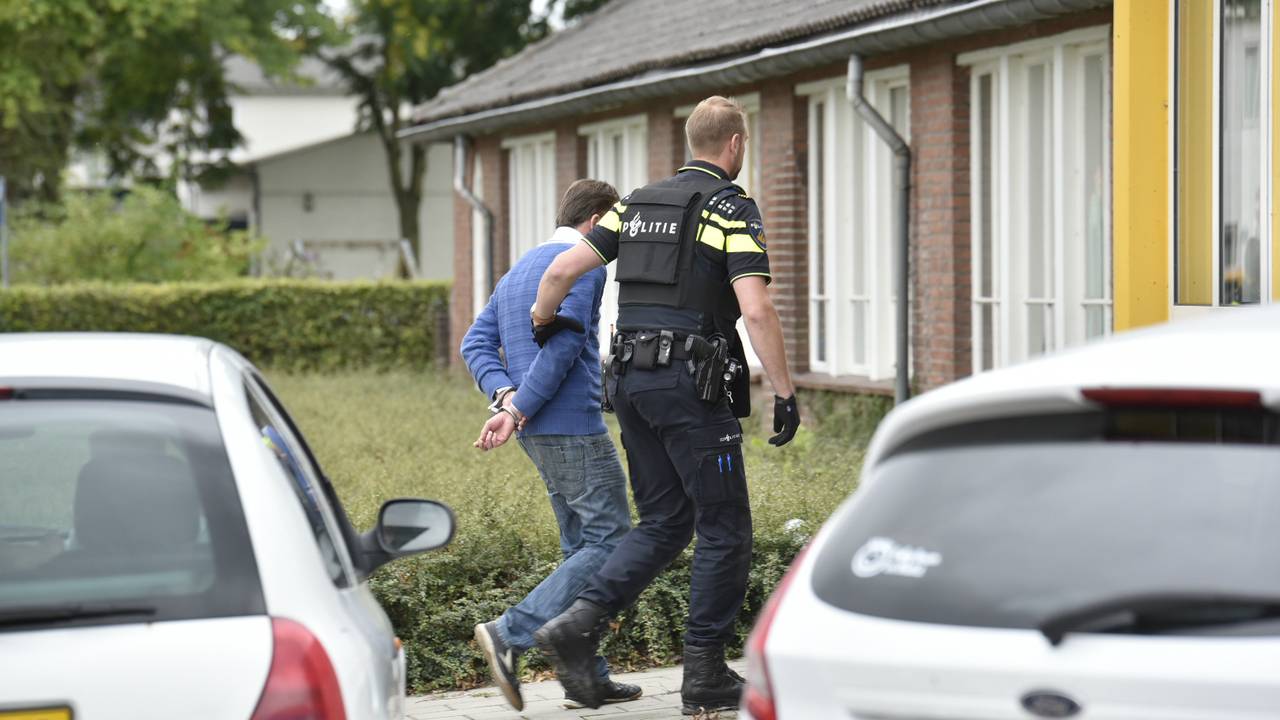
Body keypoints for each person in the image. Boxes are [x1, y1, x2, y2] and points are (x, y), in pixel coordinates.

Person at [529, 96, 801, 714]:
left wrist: (543, 321)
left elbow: (560, 273)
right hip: (690, 389)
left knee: (665, 519)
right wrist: (785, 391)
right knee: (725, 527)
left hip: (629, 384)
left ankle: (576, 626)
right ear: (735, 144)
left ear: (689, 141)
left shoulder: (634, 204)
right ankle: (703, 674)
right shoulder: (731, 207)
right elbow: (756, 308)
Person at [459, 178, 642, 712]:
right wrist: (516, 407)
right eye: (615, 230)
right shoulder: (582, 263)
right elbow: (562, 348)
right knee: (611, 541)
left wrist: (505, 395)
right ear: (597, 221)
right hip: (570, 425)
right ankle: (509, 633)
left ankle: (586, 678)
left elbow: (475, 342)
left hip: (535, 430)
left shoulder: (519, 269)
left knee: (580, 547)